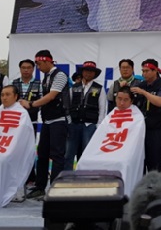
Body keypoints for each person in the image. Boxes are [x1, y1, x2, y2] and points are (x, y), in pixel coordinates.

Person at [76, 86, 145, 196]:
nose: (121, 103)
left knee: (123, 163)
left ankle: (122, 196)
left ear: (131, 101)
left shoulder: (137, 116)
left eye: (125, 100)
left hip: (122, 151)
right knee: (83, 162)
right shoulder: (111, 114)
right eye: (119, 99)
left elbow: (134, 142)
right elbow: (99, 137)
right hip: (106, 149)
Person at [23, 50, 69, 199]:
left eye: (39, 64)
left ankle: (55, 189)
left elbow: (51, 96)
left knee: (57, 156)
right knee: (42, 154)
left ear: (48, 61)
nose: (38, 67)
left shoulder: (60, 75)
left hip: (59, 120)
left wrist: (31, 104)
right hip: (48, 120)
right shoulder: (45, 77)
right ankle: (40, 186)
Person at [64, 61, 107, 171]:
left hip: (90, 125)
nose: (88, 73)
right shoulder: (74, 87)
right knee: (69, 154)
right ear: (82, 72)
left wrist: (98, 126)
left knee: (86, 154)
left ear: (94, 74)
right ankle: (67, 178)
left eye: (91, 71)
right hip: (74, 124)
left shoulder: (99, 88)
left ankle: (83, 177)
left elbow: (102, 108)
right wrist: (69, 122)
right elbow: (67, 106)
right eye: (86, 70)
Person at [131, 59, 161, 172]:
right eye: (143, 71)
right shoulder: (141, 85)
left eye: (147, 71)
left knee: (156, 161)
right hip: (141, 129)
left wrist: (144, 92)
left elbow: (160, 102)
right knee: (141, 161)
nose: (144, 74)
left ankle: (155, 188)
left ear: (155, 71)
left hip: (157, 130)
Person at [11, 58, 42, 184]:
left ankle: (30, 176)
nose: (26, 70)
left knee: (29, 150)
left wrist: (30, 104)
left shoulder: (39, 84)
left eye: (29, 68)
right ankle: (16, 176)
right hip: (16, 123)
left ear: (33, 69)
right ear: (20, 69)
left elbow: (41, 101)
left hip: (32, 121)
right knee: (16, 149)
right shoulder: (14, 83)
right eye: (23, 68)